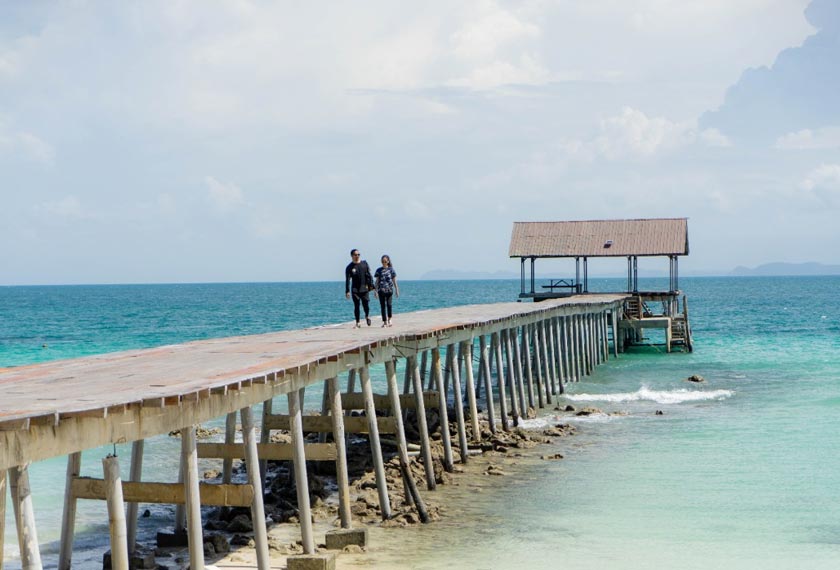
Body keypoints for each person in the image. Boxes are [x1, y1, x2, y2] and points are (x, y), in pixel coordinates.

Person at [345, 248, 373, 327]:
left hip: (364, 288)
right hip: (355, 289)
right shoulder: (349, 267)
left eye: (358, 254)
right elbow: (347, 280)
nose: (357, 256)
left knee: (366, 305)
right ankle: (358, 322)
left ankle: (367, 316)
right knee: (356, 306)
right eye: (355, 255)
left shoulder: (364, 264)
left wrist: (372, 286)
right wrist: (347, 291)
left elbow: (369, 275)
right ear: (352, 256)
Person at [374, 254, 399, 327]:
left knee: (389, 305)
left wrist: (397, 289)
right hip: (381, 290)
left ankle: (390, 319)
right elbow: (377, 281)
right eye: (382, 261)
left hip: (389, 290)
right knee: (382, 306)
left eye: (385, 261)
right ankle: (384, 322)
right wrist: (375, 291)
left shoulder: (391, 270)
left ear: (388, 261)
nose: (384, 262)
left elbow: (394, 280)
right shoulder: (379, 270)